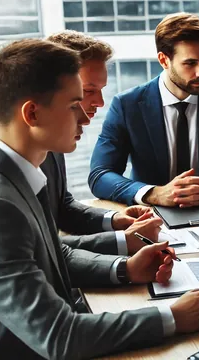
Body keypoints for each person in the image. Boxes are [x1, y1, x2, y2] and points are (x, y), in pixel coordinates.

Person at [0, 39, 199, 359]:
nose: (84, 117)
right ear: (32, 113)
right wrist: (173, 317)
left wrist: (126, 269)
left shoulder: (19, 171)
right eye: (73, 105)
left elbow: (55, 253)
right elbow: (60, 336)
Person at [89, 13, 199, 207]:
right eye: (190, 63)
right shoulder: (127, 105)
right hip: (151, 214)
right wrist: (154, 194)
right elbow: (100, 175)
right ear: (164, 60)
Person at [42, 30, 161, 256]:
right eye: (89, 91)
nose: (100, 102)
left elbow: (63, 207)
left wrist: (115, 220)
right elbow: (40, 253)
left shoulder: (52, 144)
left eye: (101, 90)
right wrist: (123, 242)